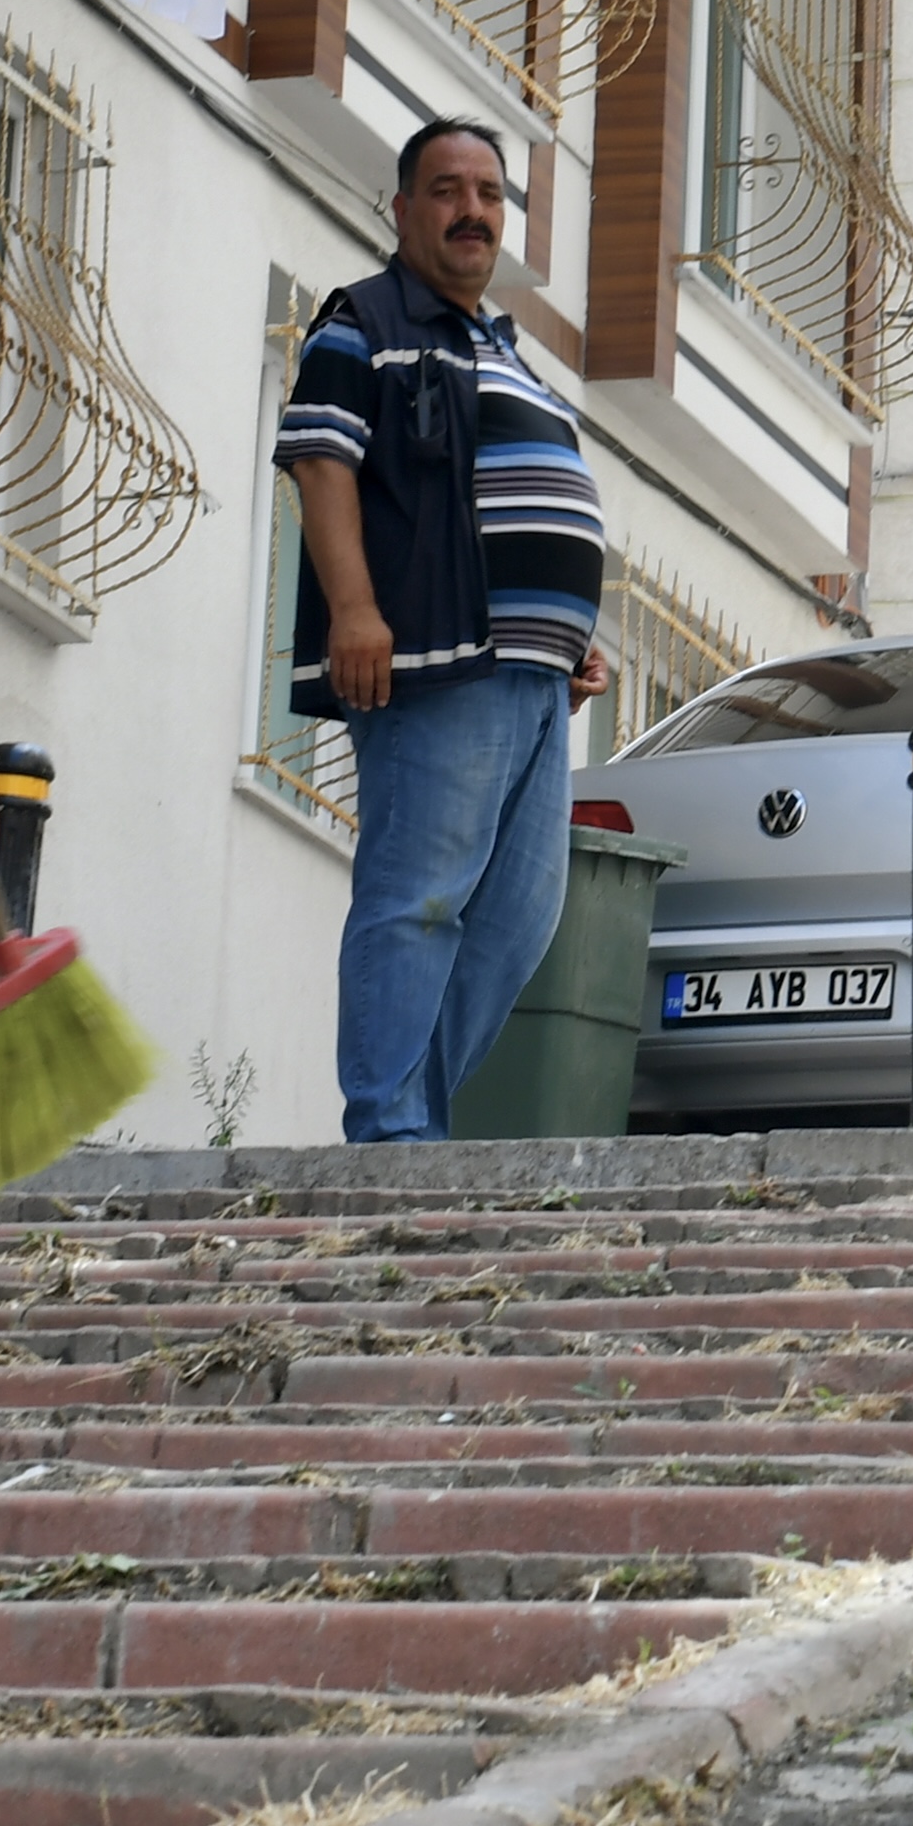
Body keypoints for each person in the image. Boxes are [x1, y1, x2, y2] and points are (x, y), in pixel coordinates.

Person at [281, 121, 608, 1142]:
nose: (473, 210)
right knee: (418, 899)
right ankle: (388, 1127)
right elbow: (321, 462)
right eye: (448, 190)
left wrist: (564, 638)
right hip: (435, 660)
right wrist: (354, 609)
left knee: (515, 922)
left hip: (537, 680)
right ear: (403, 210)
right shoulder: (364, 321)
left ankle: (415, 1115)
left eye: (489, 194)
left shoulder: (503, 345)